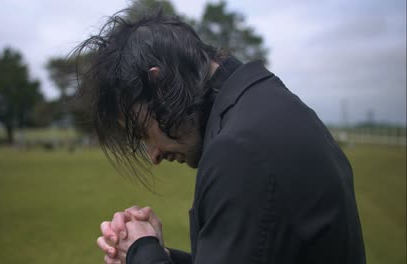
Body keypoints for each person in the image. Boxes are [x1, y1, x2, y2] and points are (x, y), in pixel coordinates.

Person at [74, 7, 366, 264]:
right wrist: (157, 255)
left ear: (159, 84)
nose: (154, 155)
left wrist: (142, 252)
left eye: (142, 132)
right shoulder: (263, 105)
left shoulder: (239, 150)